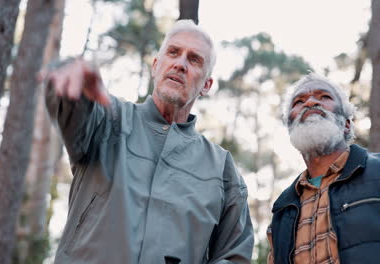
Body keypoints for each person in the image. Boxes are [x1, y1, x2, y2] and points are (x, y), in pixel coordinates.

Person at [43, 20, 254, 264]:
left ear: (206, 85)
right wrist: (71, 80)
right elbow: (72, 108)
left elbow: (234, 256)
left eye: (194, 59)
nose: (180, 64)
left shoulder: (222, 169)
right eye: (173, 52)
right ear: (156, 66)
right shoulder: (108, 119)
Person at [267, 73, 380, 264]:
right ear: (291, 129)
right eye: (299, 101)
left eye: (324, 97)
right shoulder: (282, 210)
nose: (310, 102)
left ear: (346, 124)